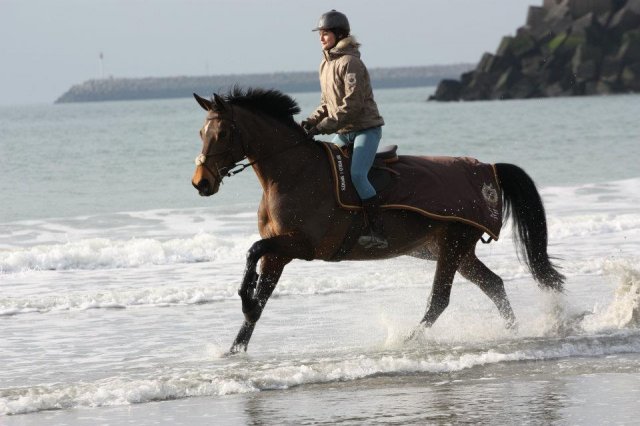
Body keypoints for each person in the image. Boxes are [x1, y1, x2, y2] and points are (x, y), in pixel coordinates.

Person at [301, 10, 388, 249]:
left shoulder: (351, 63)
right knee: (325, 170)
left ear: (338, 34)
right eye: (320, 33)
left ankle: (377, 232)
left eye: (325, 33)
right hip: (344, 132)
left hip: (365, 130)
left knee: (358, 175)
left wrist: (322, 128)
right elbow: (325, 104)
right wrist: (309, 122)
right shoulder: (325, 64)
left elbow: (351, 106)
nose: (321, 38)